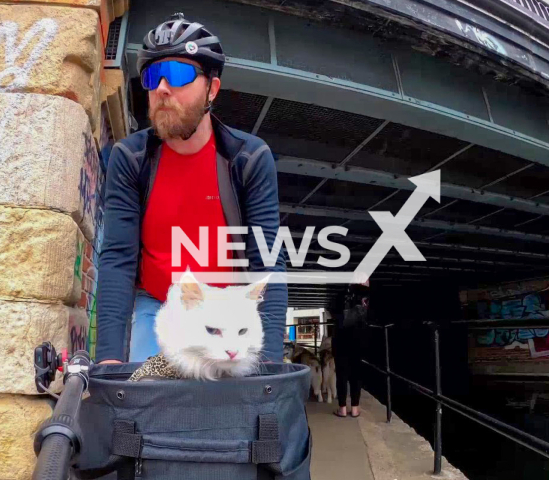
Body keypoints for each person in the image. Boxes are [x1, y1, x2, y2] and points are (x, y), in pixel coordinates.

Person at [95, 13, 287, 365]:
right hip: (157, 304)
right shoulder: (130, 158)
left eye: (180, 74)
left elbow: (268, 261)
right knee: (149, 405)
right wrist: (108, 359)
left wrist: (271, 366)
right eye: (153, 76)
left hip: (230, 308)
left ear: (212, 89)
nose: (163, 88)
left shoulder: (249, 158)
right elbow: (118, 260)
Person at [332, 282, 369, 418]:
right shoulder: (367, 297)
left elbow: (334, 314)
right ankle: (354, 408)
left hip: (340, 340)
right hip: (358, 340)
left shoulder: (341, 296)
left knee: (341, 374)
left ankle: (342, 408)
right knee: (356, 374)